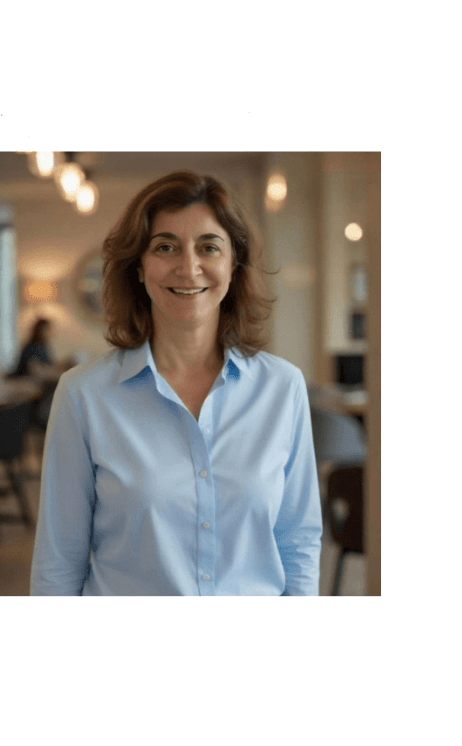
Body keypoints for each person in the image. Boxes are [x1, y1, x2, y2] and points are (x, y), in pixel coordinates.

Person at [29, 171, 322, 595]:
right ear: (139, 268)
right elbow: (58, 561)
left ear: (234, 265)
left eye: (209, 247)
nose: (188, 267)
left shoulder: (283, 388)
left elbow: (298, 542)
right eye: (165, 247)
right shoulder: (83, 395)